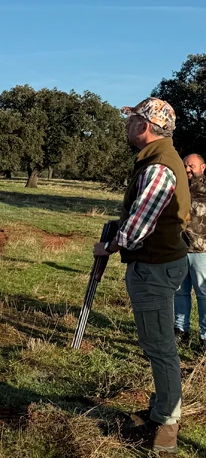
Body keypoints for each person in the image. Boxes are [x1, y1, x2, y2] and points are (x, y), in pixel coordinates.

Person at [92, 97, 190, 452]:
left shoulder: (158, 166)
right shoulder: (159, 159)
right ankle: (162, 412)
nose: (128, 125)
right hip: (160, 263)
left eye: (132, 120)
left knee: (160, 348)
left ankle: (164, 429)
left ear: (145, 127)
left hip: (153, 268)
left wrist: (110, 245)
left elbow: (137, 229)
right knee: (160, 345)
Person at [176, 153, 206, 348]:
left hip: (202, 251)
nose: (187, 169)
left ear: (203, 168)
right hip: (179, 250)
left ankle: (205, 337)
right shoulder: (179, 188)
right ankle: (180, 331)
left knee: (204, 293)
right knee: (179, 292)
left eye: (192, 166)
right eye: (185, 166)